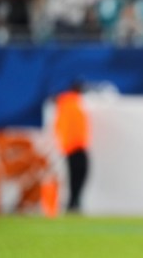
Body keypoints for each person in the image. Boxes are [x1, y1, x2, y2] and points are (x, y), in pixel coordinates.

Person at [54, 80, 90, 213]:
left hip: (73, 145)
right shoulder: (70, 103)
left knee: (76, 175)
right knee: (78, 175)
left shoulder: (68, 103)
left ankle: (73, 202)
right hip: (75, 145)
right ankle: (73, 203)